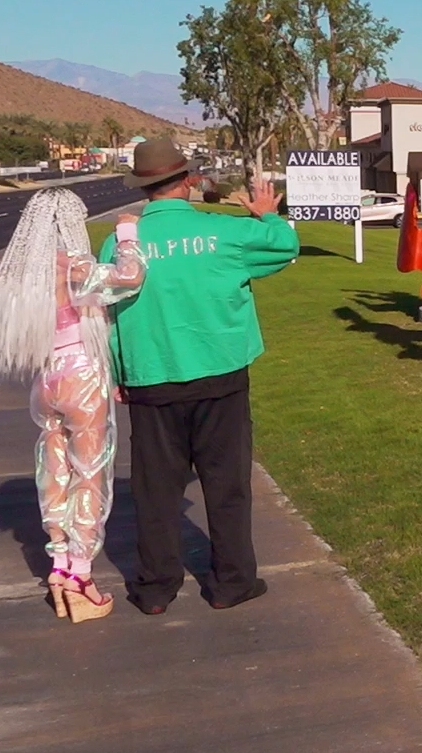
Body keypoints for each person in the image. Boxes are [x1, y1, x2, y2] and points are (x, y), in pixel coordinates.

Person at [105, 139, 297, 614]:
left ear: (144, 187)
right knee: (226, 483)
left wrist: (116, 370)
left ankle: (155, 588)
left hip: (151, 377)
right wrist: (265, 214)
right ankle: (232, 581)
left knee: (155, 489)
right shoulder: (222, 234)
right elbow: (285, 245)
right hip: (220, 375)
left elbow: (105, 314)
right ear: (188, 180)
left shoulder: (120, 243)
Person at [0, 189, 147, 623]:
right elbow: (130, 278)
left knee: (53, 468)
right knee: (90, 474)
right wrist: (127, 233)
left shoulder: (21, 276)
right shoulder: (72, 267)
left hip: (47, 378)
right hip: (82, 375)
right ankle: (81, 576)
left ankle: (58, 565)